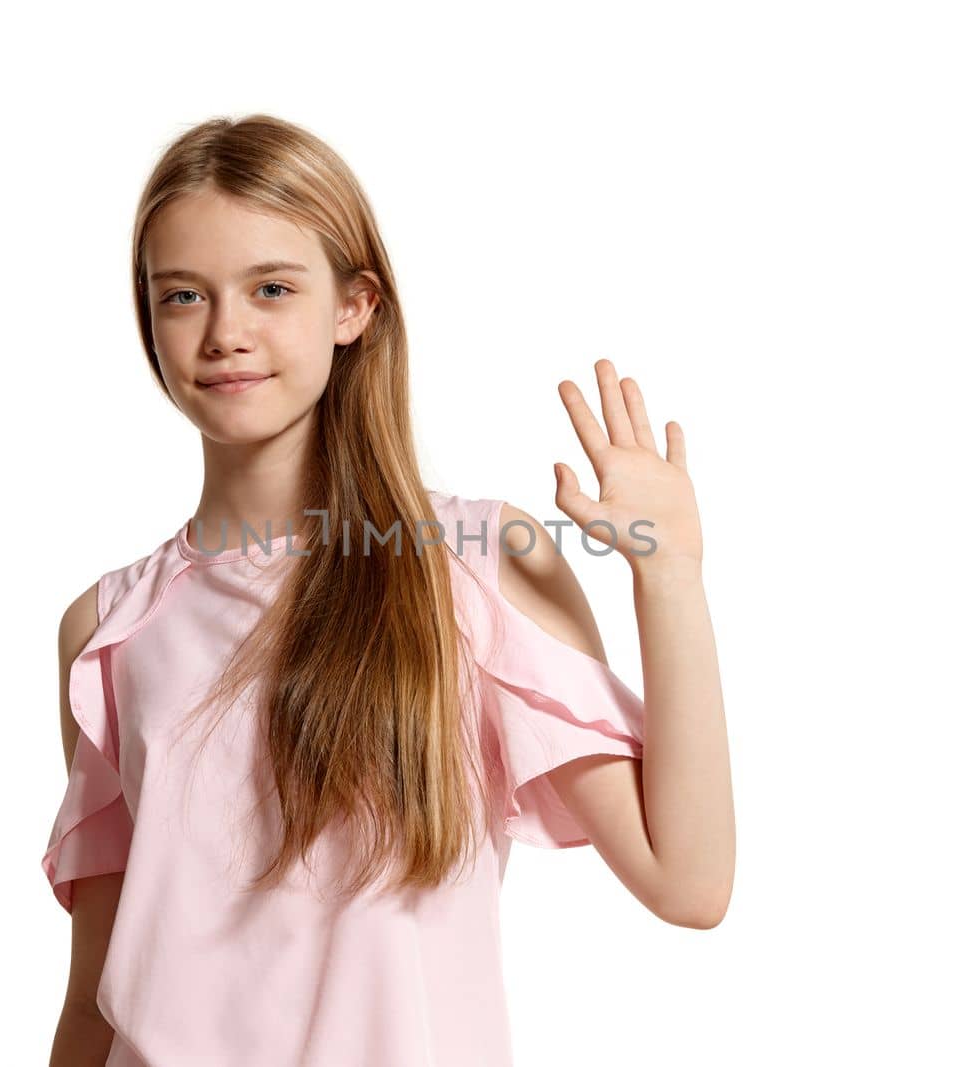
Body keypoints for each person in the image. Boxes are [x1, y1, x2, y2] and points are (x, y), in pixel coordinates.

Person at [42, 113, 735, 1067]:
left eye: (271, 287)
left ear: (354, 307)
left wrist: (672, 581)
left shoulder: (476, 561)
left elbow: (688, 881)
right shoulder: (107, 628)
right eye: (183, 295)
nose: (224, 332)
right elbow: (93, 1001)